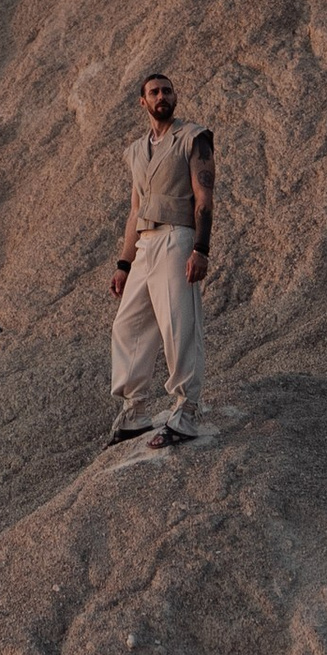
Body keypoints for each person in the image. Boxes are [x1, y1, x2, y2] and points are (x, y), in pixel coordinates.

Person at [106, 74, 212, 450]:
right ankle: (134, 411)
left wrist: (201, 249)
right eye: (154, 92)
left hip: (177, 237)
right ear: (143, 102)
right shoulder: (136, 150)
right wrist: (123, 262)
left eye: (167, 91)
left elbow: (203, 198)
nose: (162, 96)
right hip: (145, 244)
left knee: (178, 324)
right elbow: (135, 210)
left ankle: (186, 411)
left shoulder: (193, 137)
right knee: (128, 325)